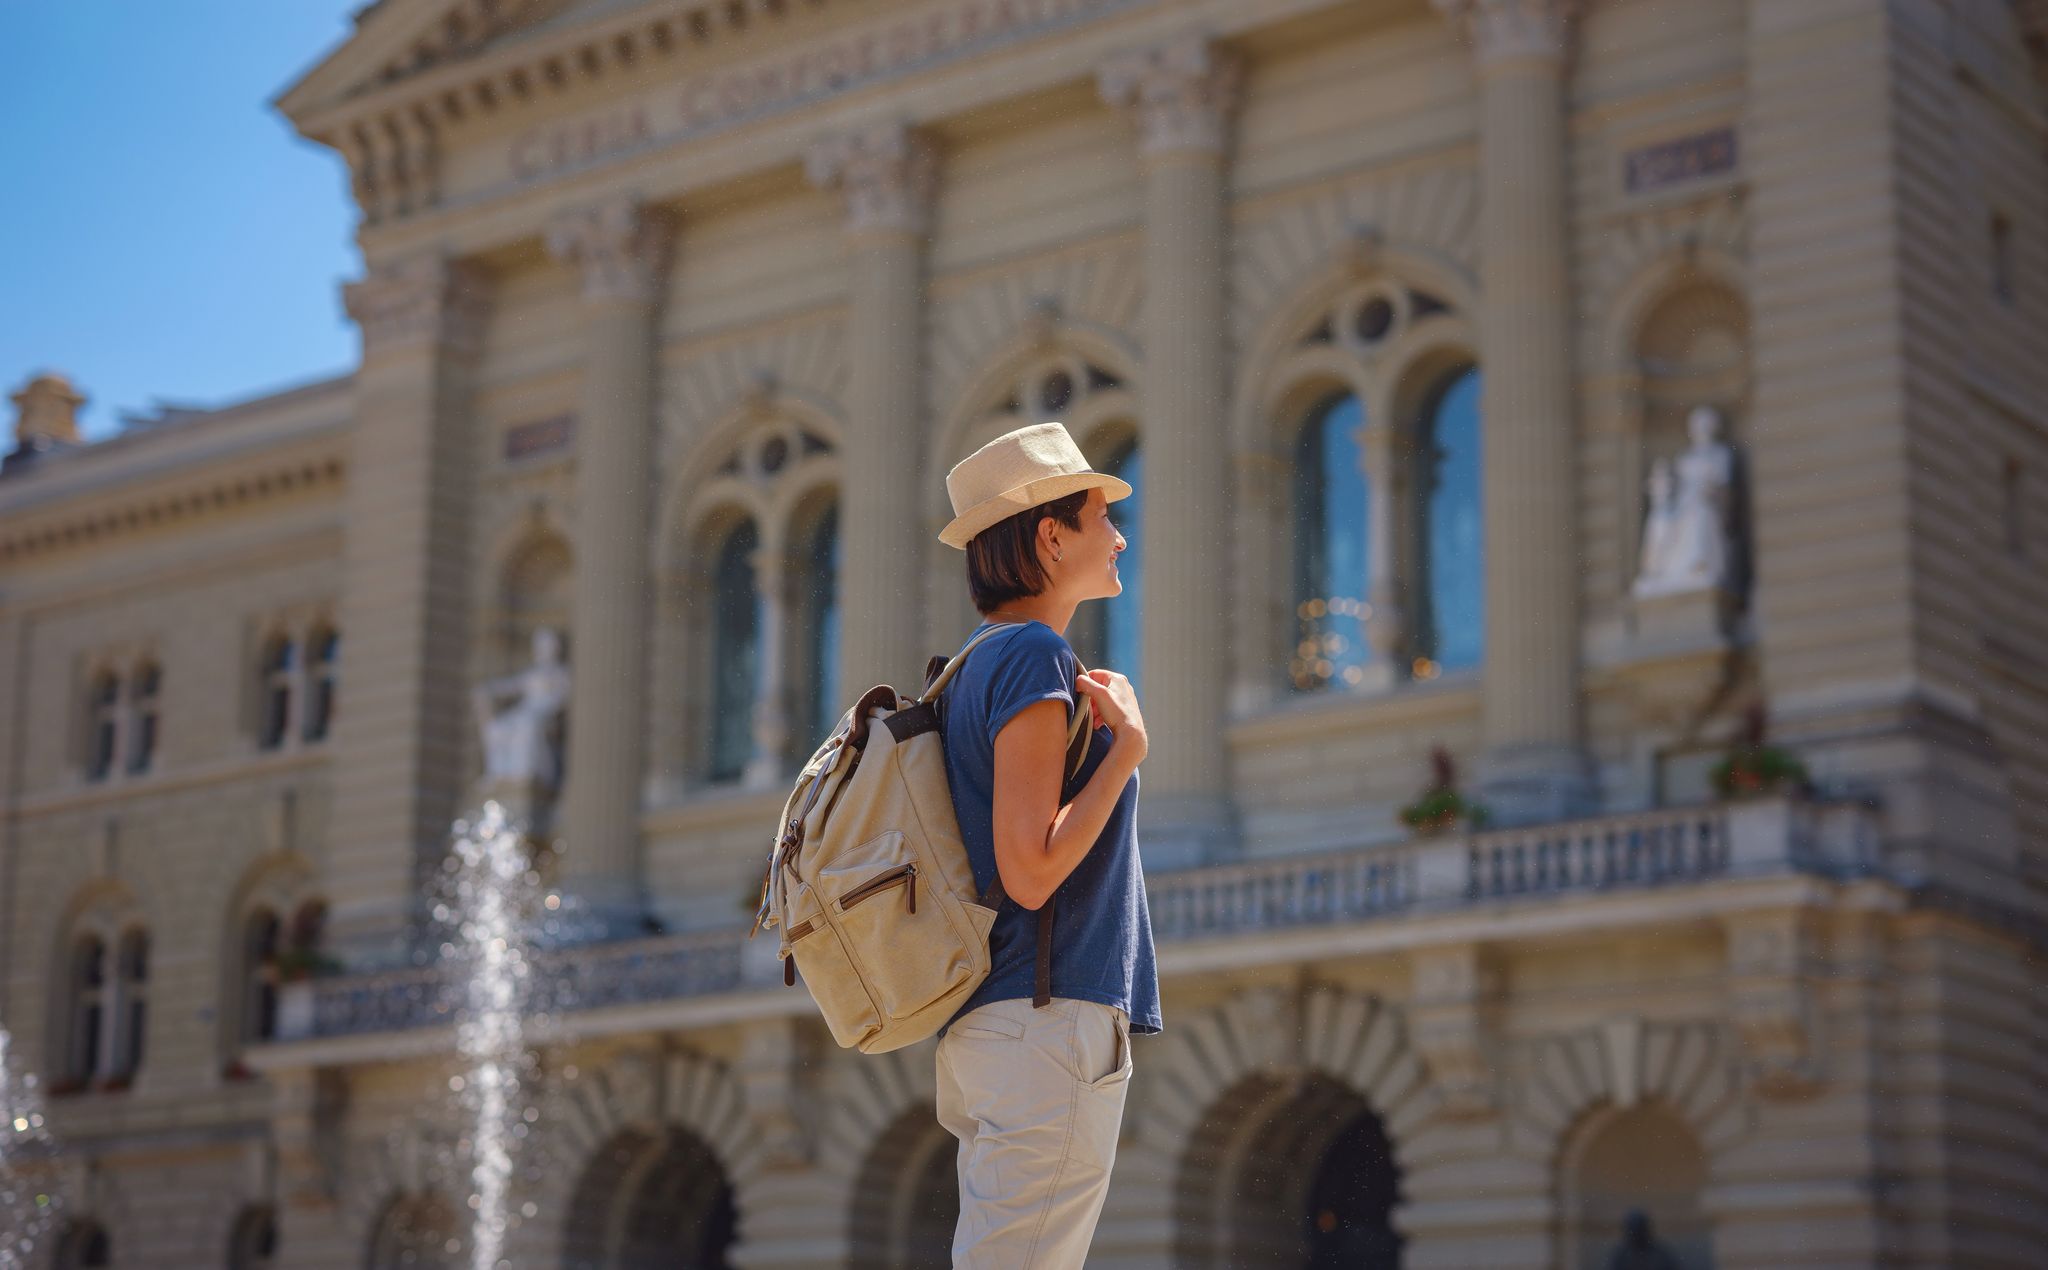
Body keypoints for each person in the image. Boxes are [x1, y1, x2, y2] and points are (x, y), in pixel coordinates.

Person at [931, 421, 1162, 1267]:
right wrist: (1127, 753)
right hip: (1046, 1016)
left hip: (1001, 1023)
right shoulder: (1033, 655)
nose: (1120, 535)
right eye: (1102, 516)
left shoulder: (977, 663)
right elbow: (1030, 871)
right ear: (1050, 534)